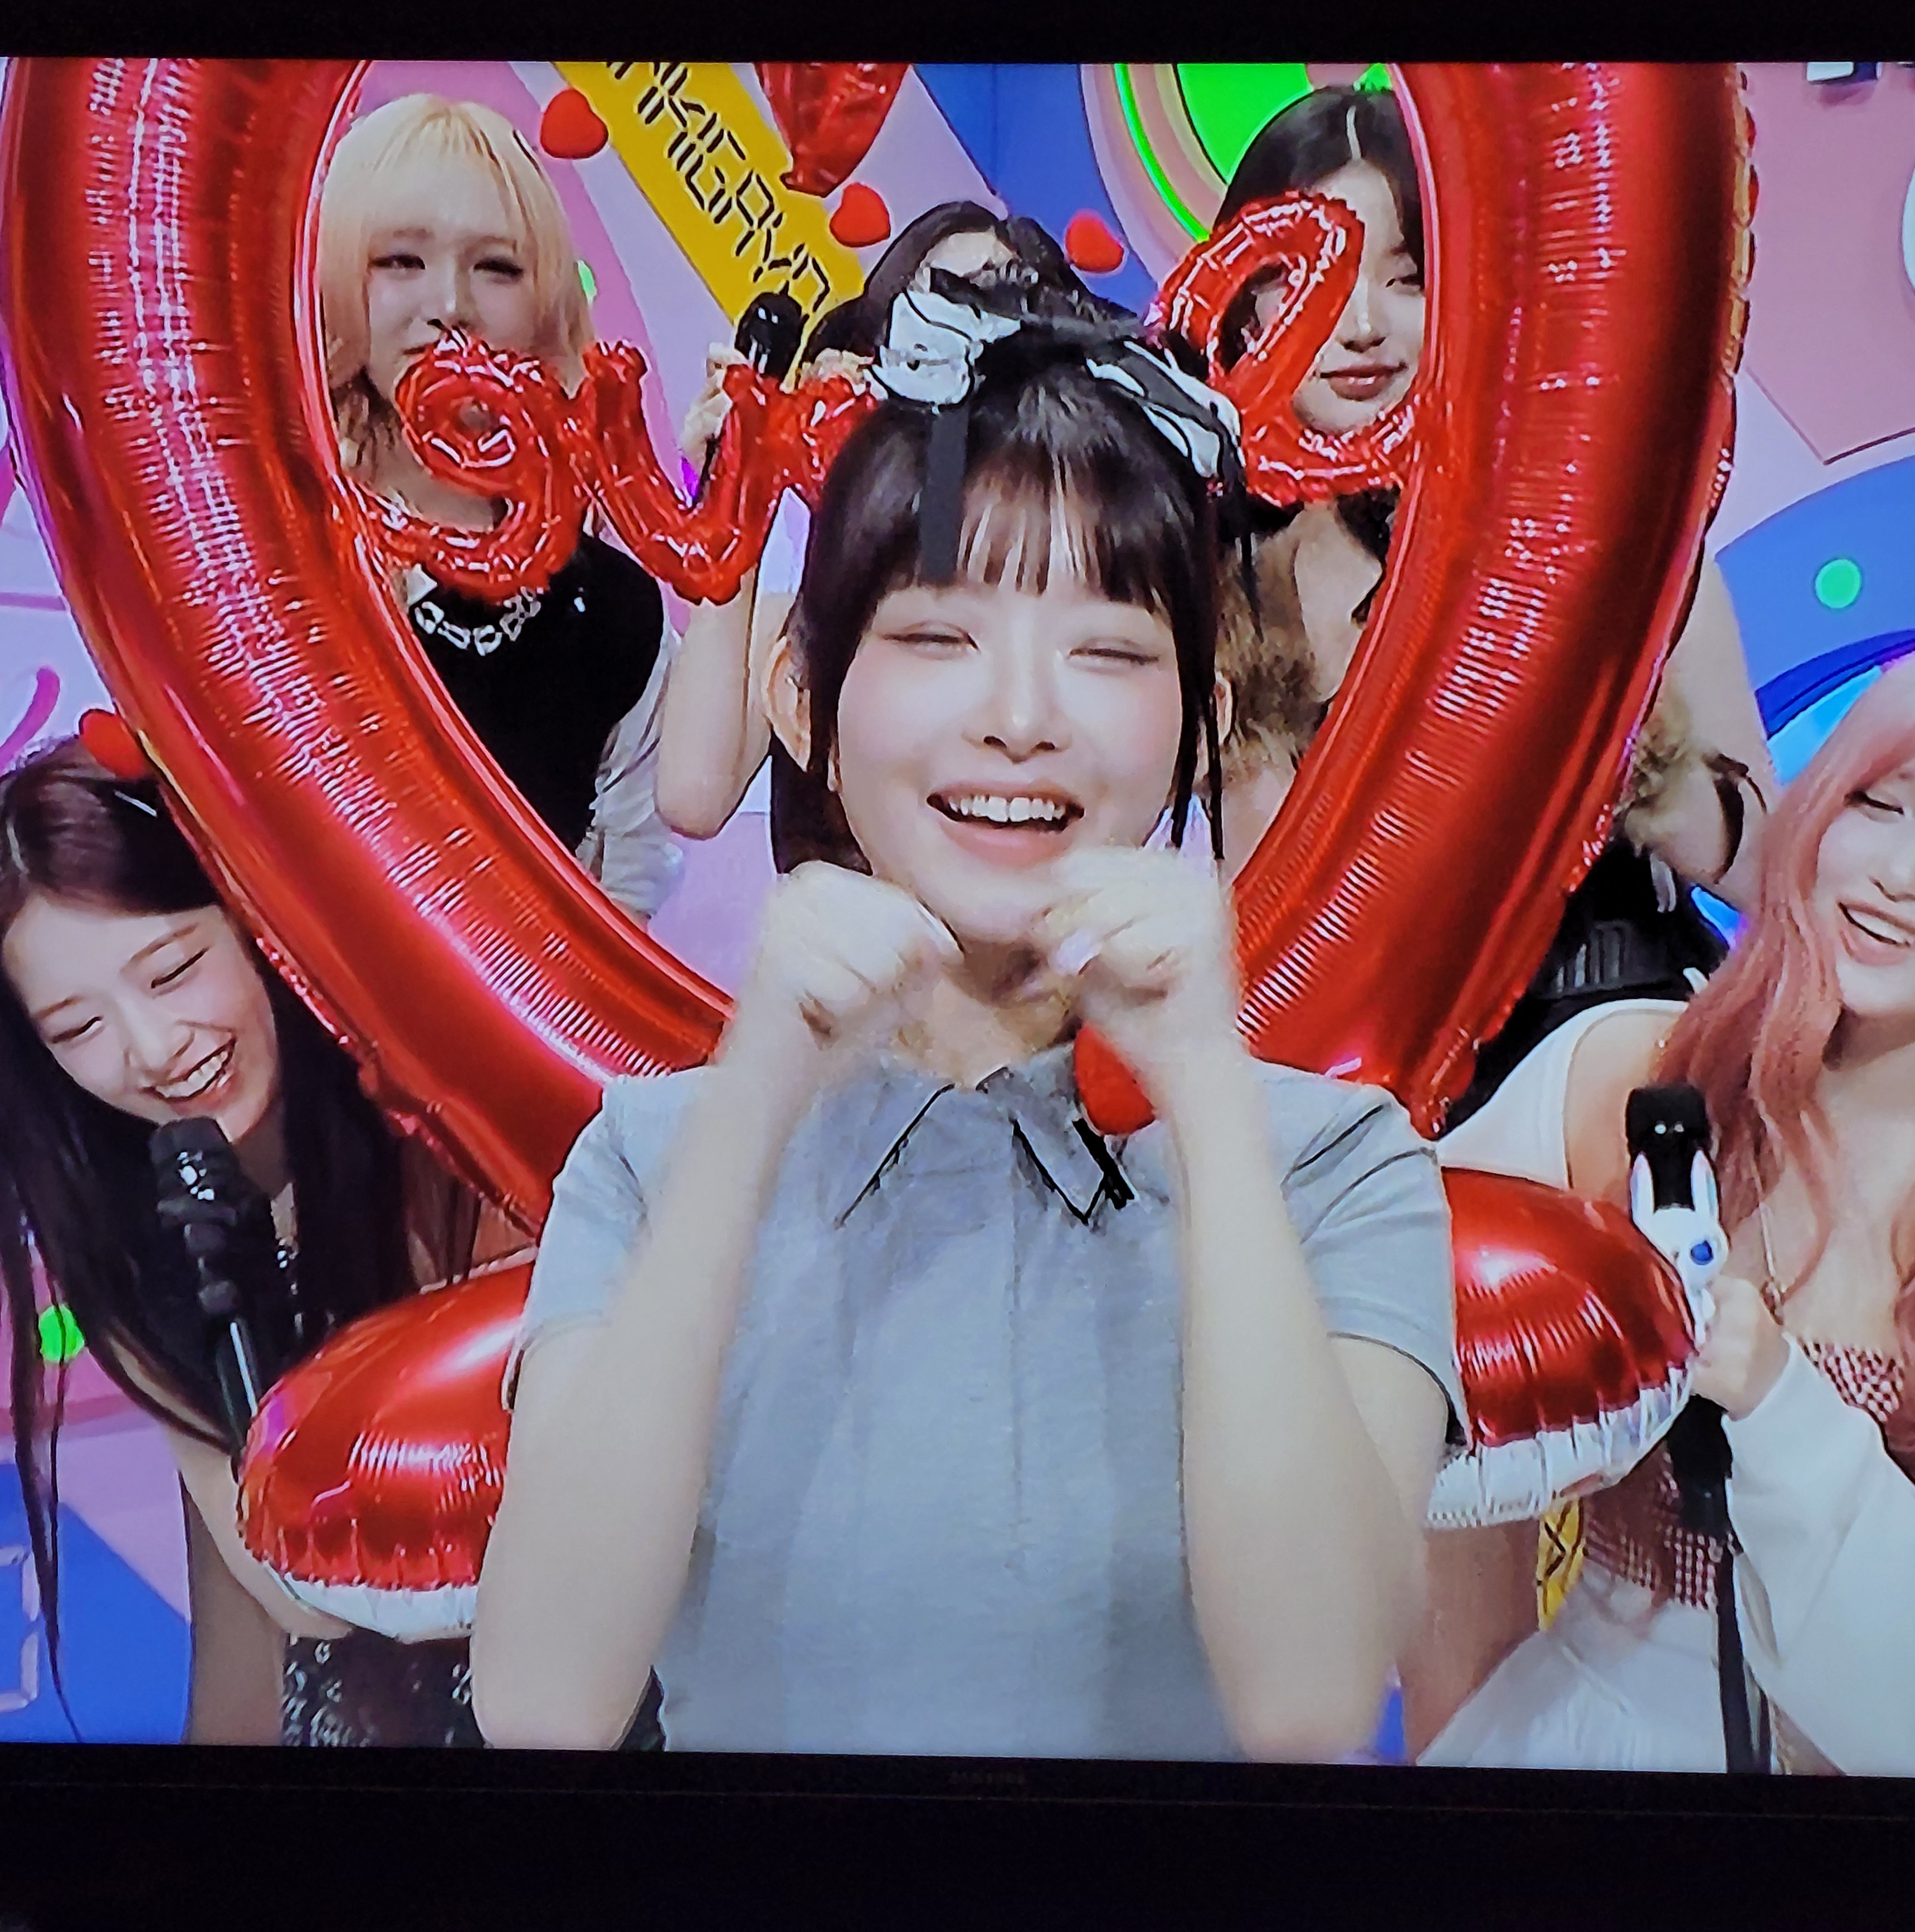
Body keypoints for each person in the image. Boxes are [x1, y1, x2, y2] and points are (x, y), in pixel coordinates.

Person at [471, 283, 1461, 1759]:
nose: (1021, 716)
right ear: (802, 699)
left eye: (1106, 653)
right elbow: (544, 1700)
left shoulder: (1337, 1165)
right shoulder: (652, 1154)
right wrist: (751, 1100)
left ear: (1195, 720)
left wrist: (1204, 1085)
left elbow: (1311, 1699)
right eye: (940, 636)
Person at [1423, 633, 1915, 1777]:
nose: (1896, 872)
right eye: (1876, 801)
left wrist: (1775, 1400)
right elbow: (1421, 1433)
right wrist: (1457, 1741)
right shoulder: (1629, 1078)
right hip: (1589, 1763)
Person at [0, 737, 515, 1747]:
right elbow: (277, 1605)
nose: (154, 1050)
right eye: (77, 1030)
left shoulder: (465, 1136)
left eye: (173, 970)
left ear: (258, 913)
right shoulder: (134, 1242)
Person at [1206, 86, 1775, 1095]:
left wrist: (1619, 745)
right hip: (1322, 1101)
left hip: (1600, 1064)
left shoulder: (1620, 552)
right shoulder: (1205, 585)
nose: (1361, 326)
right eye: (1309, 278)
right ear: (1240, 299)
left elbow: (1771, 870)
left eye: (1409, 278)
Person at [654, 202, 1122, 876]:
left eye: (999, 304)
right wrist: (736, 485)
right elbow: (693, 797)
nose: (968, 338)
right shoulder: (807, 619)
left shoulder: (1100, 607)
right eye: (936, 306)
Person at [318, 92, 679, 921]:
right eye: (400, 261)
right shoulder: (275, 546)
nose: (450, 304)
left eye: (497, 268)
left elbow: (631, 876)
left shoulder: (612, 608)